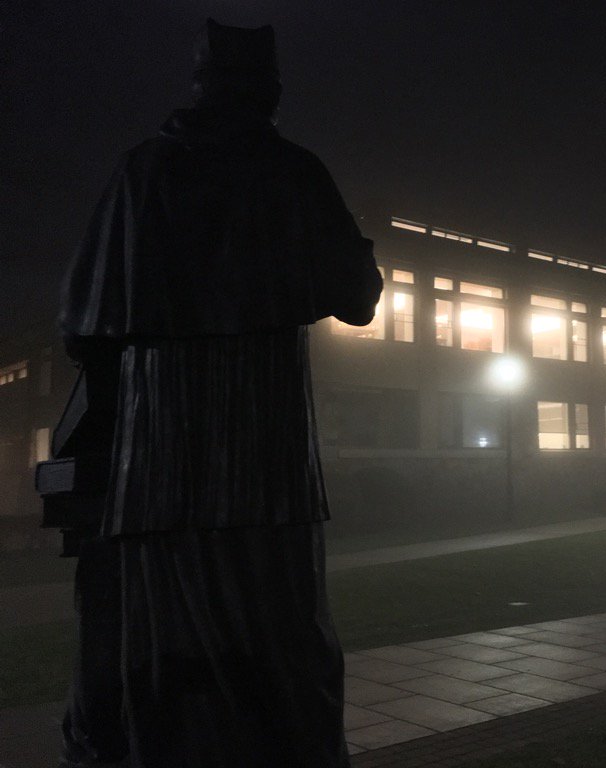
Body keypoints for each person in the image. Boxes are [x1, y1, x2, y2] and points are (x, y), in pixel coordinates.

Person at [57, 18, 381, 768]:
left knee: (158, 632)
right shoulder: (292, 171)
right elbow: (358, 292)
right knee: (278, 632)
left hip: (154, 459)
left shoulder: (142, 172)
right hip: (263, 456)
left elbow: (83, 323)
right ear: (266, 94)